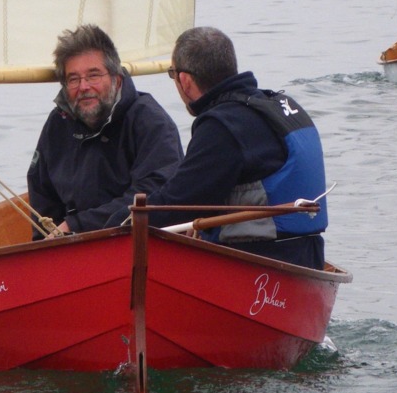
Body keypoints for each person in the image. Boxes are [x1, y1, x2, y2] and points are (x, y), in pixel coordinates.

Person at [113, 26, 329, 269]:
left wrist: (117, 226)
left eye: (172, 74)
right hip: (309, 257)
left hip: (262, 263)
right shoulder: (282, 106)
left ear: (185, 81)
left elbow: (177, 203)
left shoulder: (223, 125)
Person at [27, 24, 183, 237]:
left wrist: (78, 225)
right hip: (68, 251)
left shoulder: (150, 122)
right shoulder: (57, 125)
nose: (83, 87)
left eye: (93, 75)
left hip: (135, 242)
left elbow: (154, 195)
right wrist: (45, 244)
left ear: (116, 79)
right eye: (73, 79)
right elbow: (42, 196)